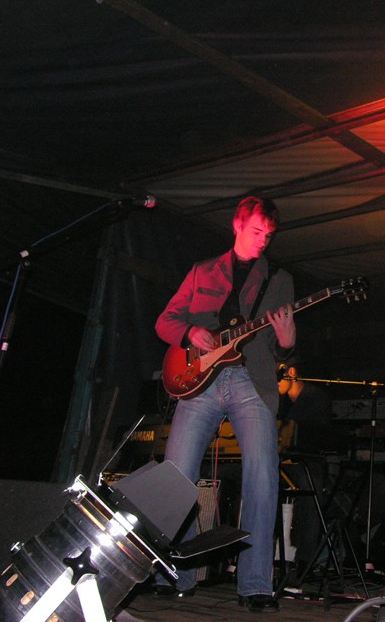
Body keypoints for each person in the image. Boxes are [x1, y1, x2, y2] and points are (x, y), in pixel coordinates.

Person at [155, 195, 295, 612]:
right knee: (176, 475)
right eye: (256, 232)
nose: (262, 241)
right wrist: (189, 333)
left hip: (253, 380)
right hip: (198, 381)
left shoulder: (279, 279)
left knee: (262, 476)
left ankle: (255, 584)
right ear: (237, 225)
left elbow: (281, 345)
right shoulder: (202, 271)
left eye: (268, 235)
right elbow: (165, 320)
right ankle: (175, 574)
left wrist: (287, 343)